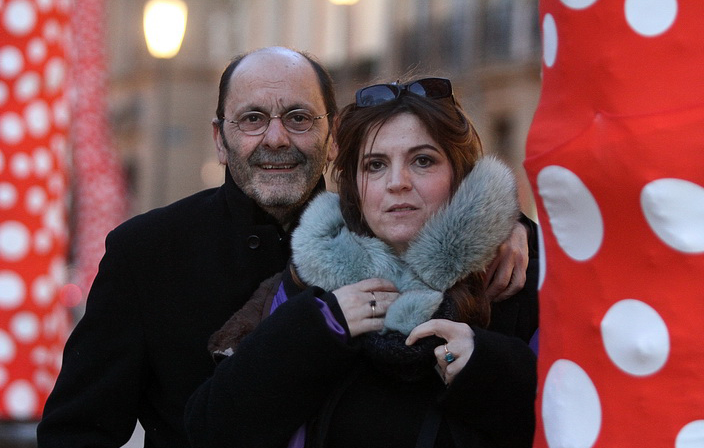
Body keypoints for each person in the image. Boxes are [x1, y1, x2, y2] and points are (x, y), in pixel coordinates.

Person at [37, 48, 532, 448]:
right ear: (219, 139)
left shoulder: (374, 234)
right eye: (252, 119)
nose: (276, 138)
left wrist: (508, 225)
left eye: (298, 118)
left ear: (332, 137)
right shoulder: (147, 251)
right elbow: (79, 431)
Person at [185, 77, 538, 448]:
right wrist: (320, 329)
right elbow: (210, 429)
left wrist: (489, 369)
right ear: (354, 184)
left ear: (458, 175)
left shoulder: (514, 274)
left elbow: (583, 419)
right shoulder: (311, 287)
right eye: (375, 165)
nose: (397, 182)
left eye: (423, 161)